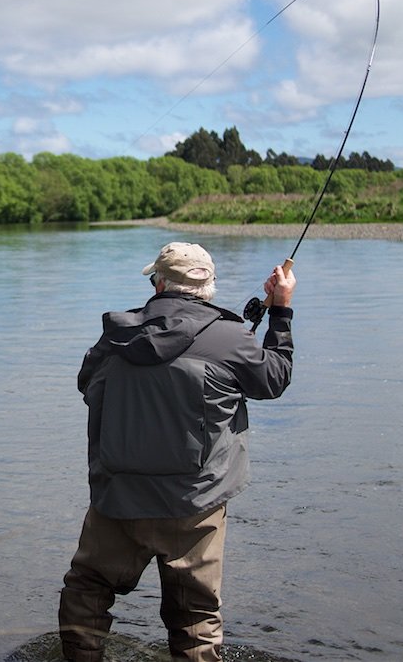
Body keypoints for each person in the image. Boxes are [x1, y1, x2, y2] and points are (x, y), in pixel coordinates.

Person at [58, 242, 296, 662]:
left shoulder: (116, 335)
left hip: (117, 498)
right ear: (208, 288)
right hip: (196, 504)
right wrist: (280, 310)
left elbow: (86, 386)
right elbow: (274, 378)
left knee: (88, 589)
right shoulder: (231, 337)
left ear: (160, 283)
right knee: (196, 613)